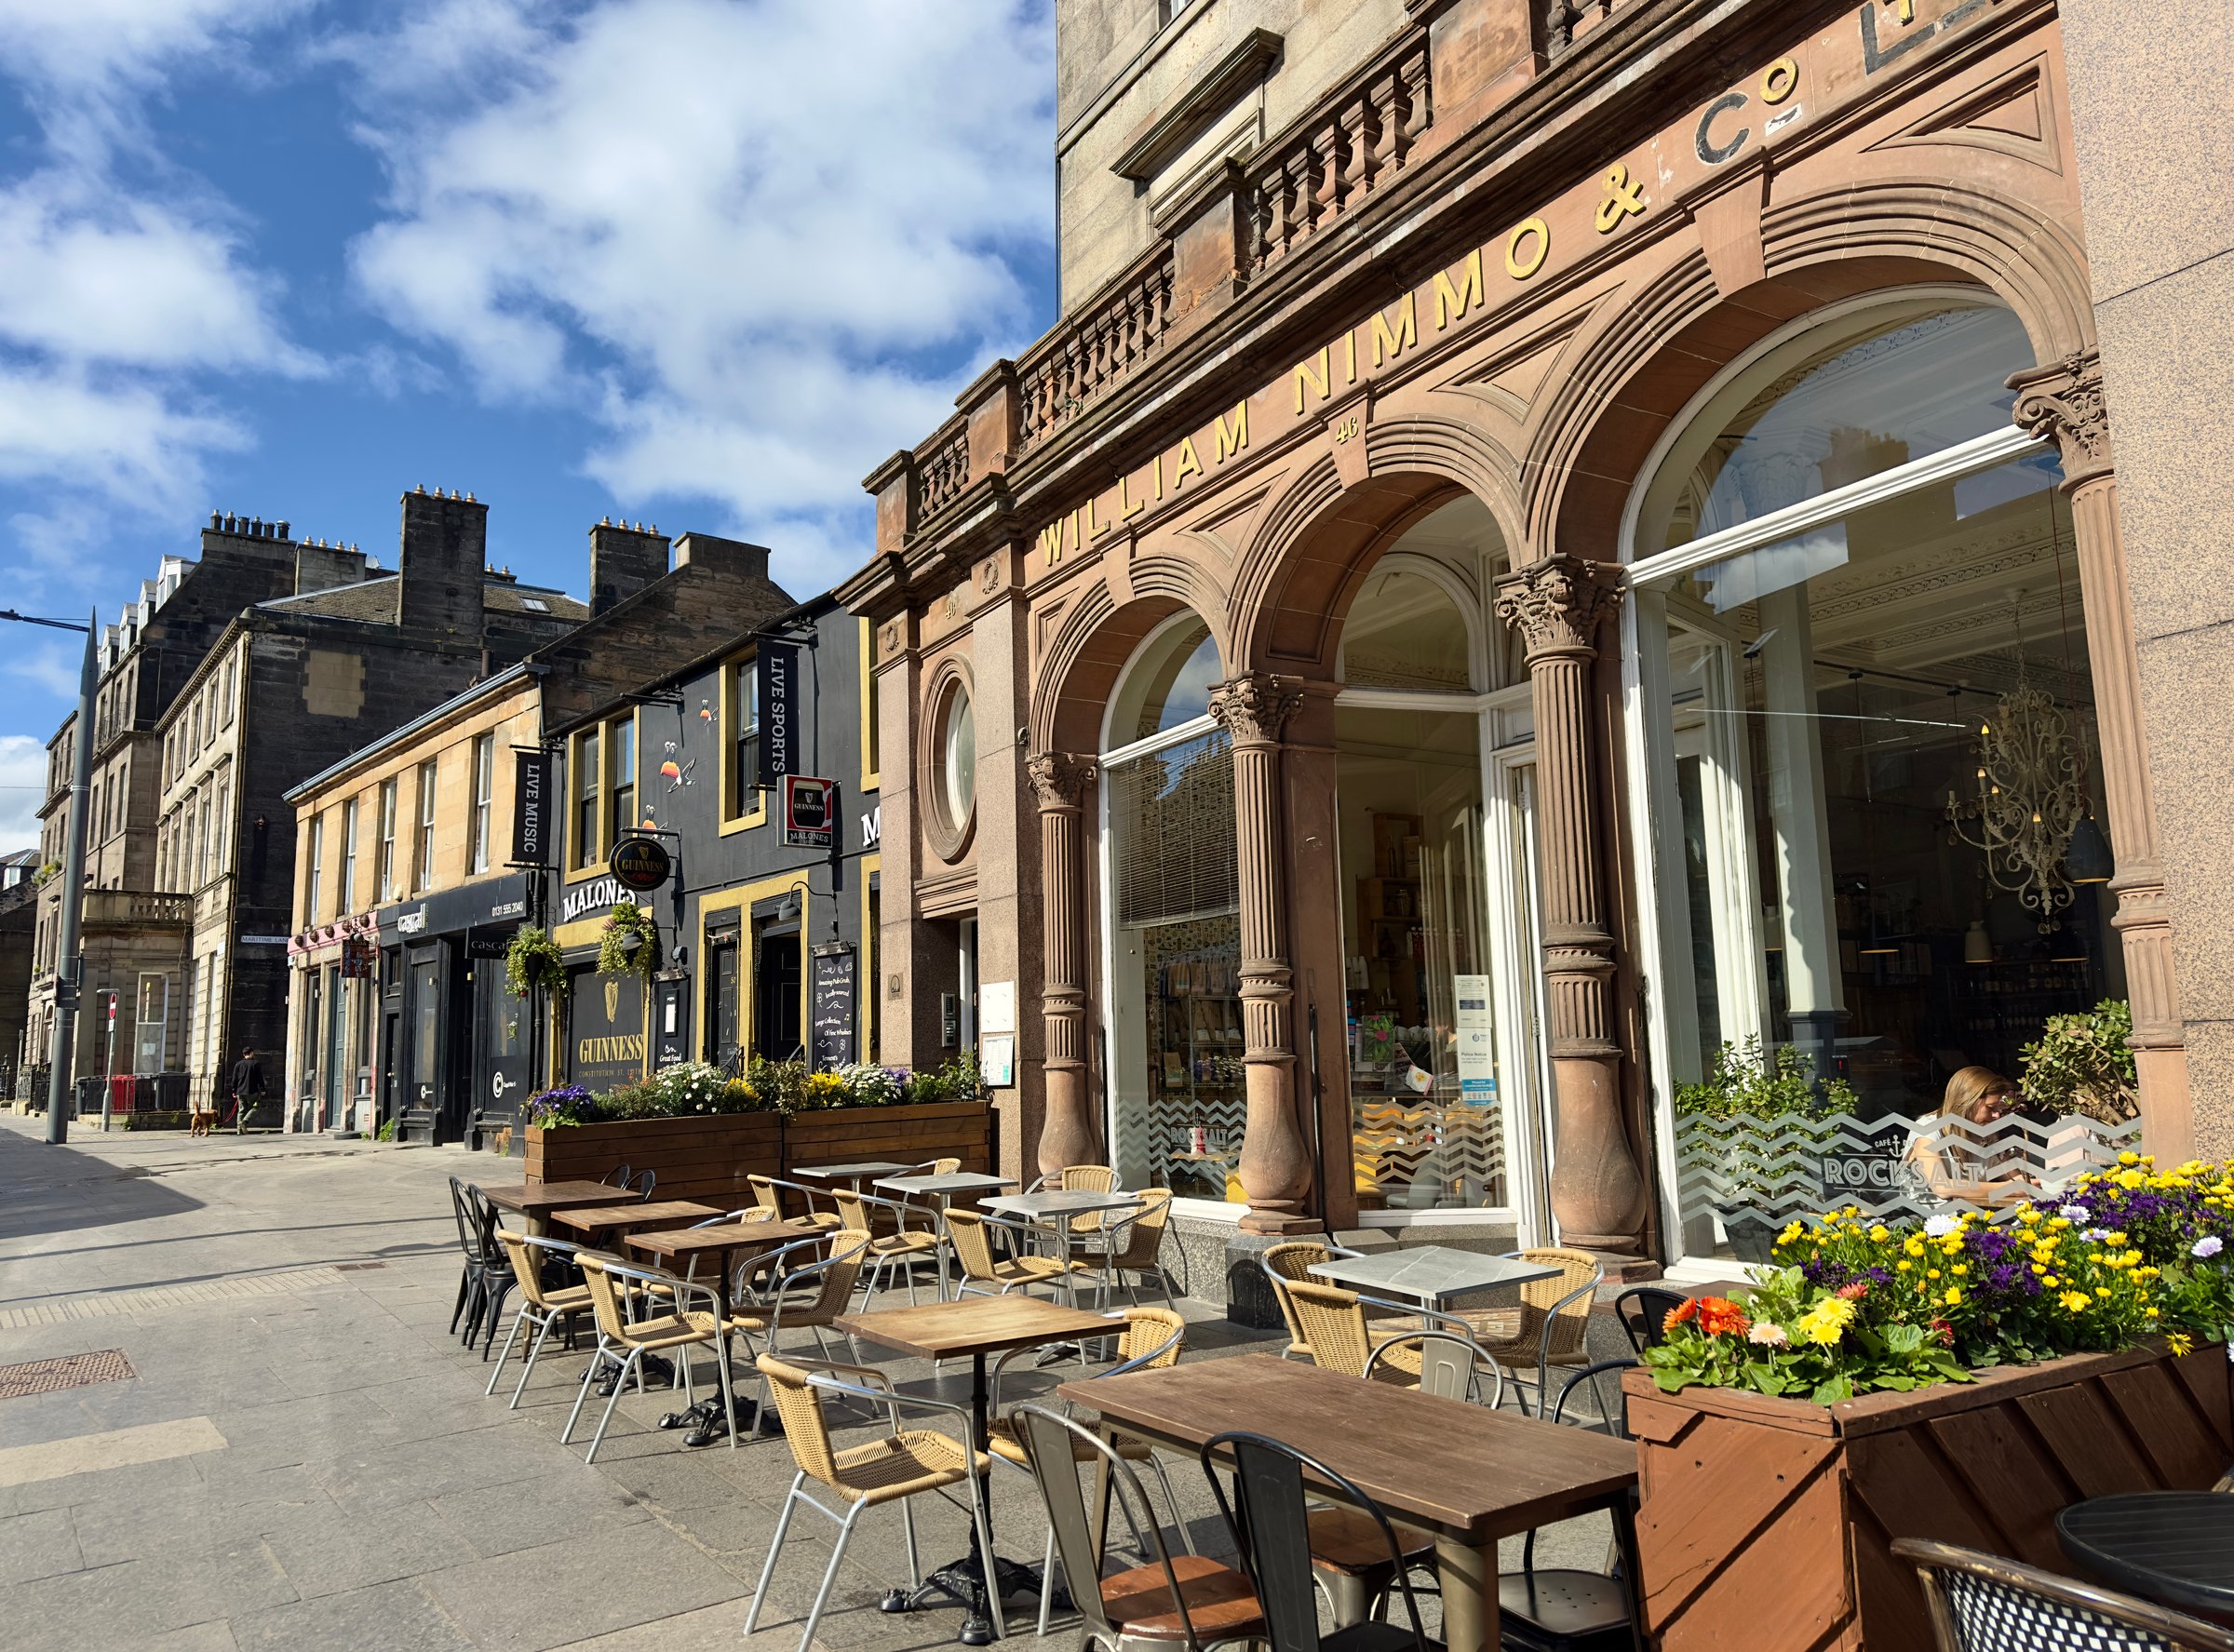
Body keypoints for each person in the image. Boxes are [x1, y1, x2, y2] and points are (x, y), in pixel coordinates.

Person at [1902, 1066, 2038, 1208]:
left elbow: (2014, 1177)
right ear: (1967, 1101)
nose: (1997, 1115)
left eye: (2000, 1109)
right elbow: (1942, 1187)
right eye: (1991, 1108)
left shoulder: (1986, 1133)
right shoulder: (1928, 1130)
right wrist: (2008, 1188)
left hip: (1971, 1217)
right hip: (1925, 1221)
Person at [226, 1045, 266, 1135]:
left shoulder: (238, 1064)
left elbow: (234, 1079)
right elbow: (260, 1077)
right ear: (251, 1053)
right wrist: (263, 1089)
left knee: (241, 1110)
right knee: (256, 1107)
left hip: (240, 1091)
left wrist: (234, 1090)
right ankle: (244, 1121)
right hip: (252, 1091)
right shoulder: (256, 1063)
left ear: (244, 1054)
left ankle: (239, 1130)